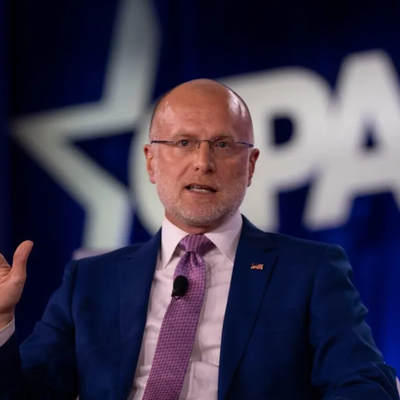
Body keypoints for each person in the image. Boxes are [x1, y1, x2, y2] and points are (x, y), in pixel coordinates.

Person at [0, 79, 398, 400]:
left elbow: (363, 384)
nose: (203, 162)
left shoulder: (310, 271)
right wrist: (1, 322)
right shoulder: (89, 281)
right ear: (151, 161)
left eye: (223, 145)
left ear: (251, 165)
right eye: (183, 142)